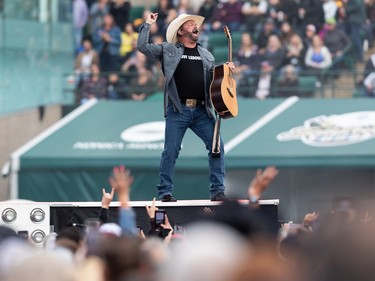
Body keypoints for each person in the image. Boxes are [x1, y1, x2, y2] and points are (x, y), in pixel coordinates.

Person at [137, 13, 235, 202]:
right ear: (181, 31)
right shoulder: (169, 50)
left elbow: (216, 81)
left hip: (202, 111)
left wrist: (226, 70)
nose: (194, 26)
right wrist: (148, 24)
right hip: (178, 109)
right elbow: (142, 47)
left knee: (217, 148)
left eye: (195, 24)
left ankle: (218, 191)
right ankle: (165, 192)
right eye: (190, 24)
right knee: (171, 151)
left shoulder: (207, 55)